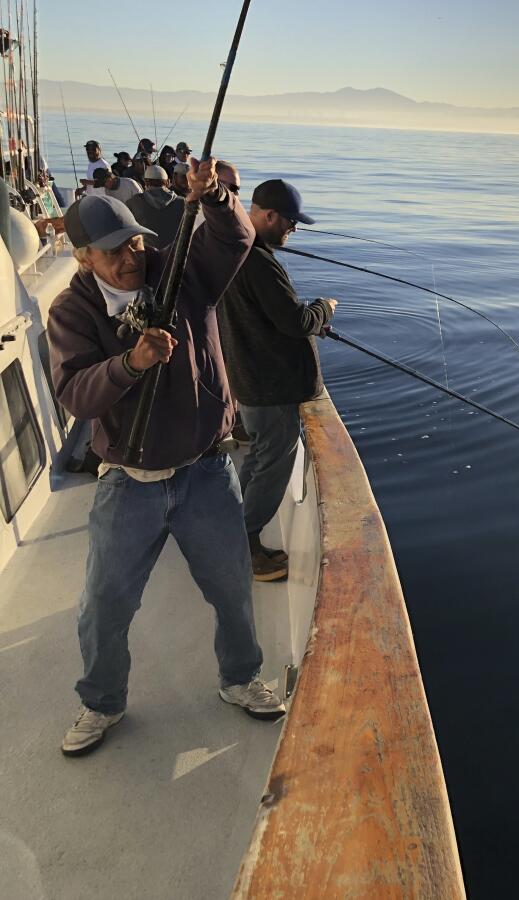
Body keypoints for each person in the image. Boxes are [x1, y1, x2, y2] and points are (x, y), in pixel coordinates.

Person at [47, 160, 286, 757]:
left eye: (134, 242)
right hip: (128, 481)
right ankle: (101, 702)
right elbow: (75, 390)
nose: (130, 257)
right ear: (82, 257)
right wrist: (130, 364)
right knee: (104, 604)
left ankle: (239, 679)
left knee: (232, 589)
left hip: (204, 469)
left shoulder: (179, 272)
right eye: (112, 251)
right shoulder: (71, 312)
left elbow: (234, 237)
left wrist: (216, 196)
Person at [218, 179, 336, 581]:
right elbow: (295, 321)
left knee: (261, 456)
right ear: (268, 215)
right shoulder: (259, 261)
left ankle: (230, 527)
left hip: (249, 381)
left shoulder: (236, 250)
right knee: (273, 462)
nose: (293, 229)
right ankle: (245, 547)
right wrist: (323, 308)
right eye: (290, 221)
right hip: (267, 387)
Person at [125, 165, 184, 249]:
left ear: (145, 182)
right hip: (174, 254)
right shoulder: (182, 202)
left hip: (146, 254)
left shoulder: (133, 202)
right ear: (167, 182)